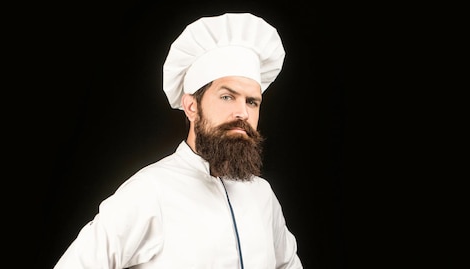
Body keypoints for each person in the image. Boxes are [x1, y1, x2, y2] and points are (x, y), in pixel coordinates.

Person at [53, 12, 303, 269]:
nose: (242, 112)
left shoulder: (262, 195)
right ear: (191, 106)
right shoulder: (150, 191)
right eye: (227, 97)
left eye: (252, 102)